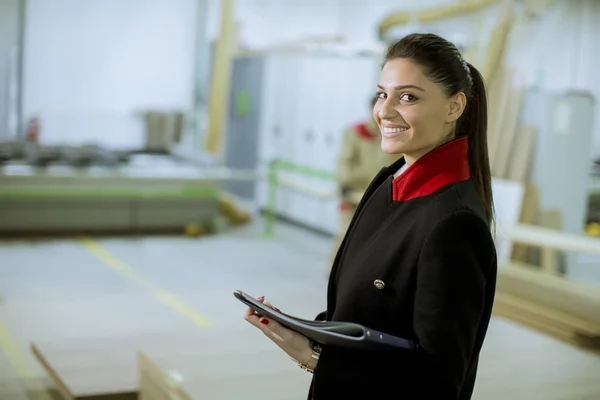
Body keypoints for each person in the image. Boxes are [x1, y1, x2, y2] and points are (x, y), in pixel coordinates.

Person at [243, 32, 497, 400]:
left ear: (454, 107)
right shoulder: (387, 184)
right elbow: (368, 316)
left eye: (408, 97)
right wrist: (308, 332)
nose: (385, 111)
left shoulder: (455, 225)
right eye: (383, 94)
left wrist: (315, 357)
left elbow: (437, 384)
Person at [330, 94, 401, 268]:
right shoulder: (356, 133)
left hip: (383, 197)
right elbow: (344, 163)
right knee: (346, 238)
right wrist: (346, 186)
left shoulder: (397, 134)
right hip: (355, 196)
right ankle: (336, 275)